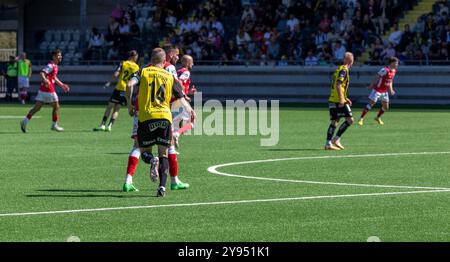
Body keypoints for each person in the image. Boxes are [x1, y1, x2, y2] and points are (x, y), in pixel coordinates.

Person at [127, 48, 196, 197]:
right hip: (165, 117)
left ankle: (152, 160)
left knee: (144, 151)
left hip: (146, 117)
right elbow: (181, 97)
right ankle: (162, 188)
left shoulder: (144, 71)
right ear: (164, 61)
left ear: (151, 60)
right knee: (164, 152)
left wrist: (130, 104)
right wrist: (191, 111)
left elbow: (129, 85)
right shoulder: (169, 76)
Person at [20, 49, 70, 133]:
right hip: (48, 89)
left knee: (37, 108)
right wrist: (45, 80)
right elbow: (42, 73)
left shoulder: (55, 66)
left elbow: (53, 77)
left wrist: (62, 85)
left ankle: (24, 121)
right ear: (54, 57)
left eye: (60, 55)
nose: (60, 57)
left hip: (42, 90)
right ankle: (54, 125)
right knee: (56, 106)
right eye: (58, 55)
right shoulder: (51, 65)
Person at [93, 50, 139, 132]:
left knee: (110, 106)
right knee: (117, 109)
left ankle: (103, 125)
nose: (137, 58)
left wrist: (109, 82)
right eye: (136, 57)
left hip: (119, 87)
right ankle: (110, 126)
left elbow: (116, 74)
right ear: (133, 56)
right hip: (126, 90)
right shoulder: (136, 67)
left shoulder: (123, 63)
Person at [324, 52, 354, 150]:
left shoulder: (339, 69)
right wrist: (342, 99)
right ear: (350, 60)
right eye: (351, 59)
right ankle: (336, 139)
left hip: (333, 99)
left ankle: (328, 143)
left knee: (334, 121)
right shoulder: (344, 70)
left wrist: (345, 97)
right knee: (350, 120)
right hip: (338, 100)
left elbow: (339, 86)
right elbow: (338, 84)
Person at [358, 57, 398, 126]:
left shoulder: (394, 71)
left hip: (384, 91)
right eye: (396, 63)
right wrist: (371, 85)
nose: (397, 65)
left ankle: (377, 117)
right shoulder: (384, 70)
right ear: (392, 63)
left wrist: (391, 89)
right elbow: (376, 77)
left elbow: (390, 80)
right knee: (371, 104)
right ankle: (361, 118)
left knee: (386, 107)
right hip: (377, 90)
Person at [173, 54, 197, 147]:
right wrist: (184, 95)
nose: (193, 64)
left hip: (175, 99)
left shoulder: (178, 71)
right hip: (181, 100)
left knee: (174, 123)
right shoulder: (186, 72)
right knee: (193, 119)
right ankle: (177, 134)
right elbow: (179, 82)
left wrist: (188, 92)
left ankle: (171, 148)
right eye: (191, 62)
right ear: (187, 63)